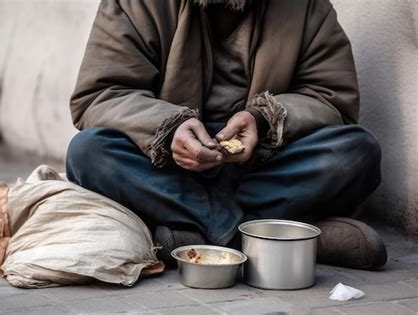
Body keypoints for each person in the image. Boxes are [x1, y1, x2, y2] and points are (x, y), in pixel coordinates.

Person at [66, 0, 387, 270]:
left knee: (358, 151)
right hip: (169, 169)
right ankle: (273, 239)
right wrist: (167, 129)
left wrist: (263, 120)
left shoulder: (305, 5)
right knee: (88, 152)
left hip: (263, 164)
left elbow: (330, 98)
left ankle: (192, 234)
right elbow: (101, 95)